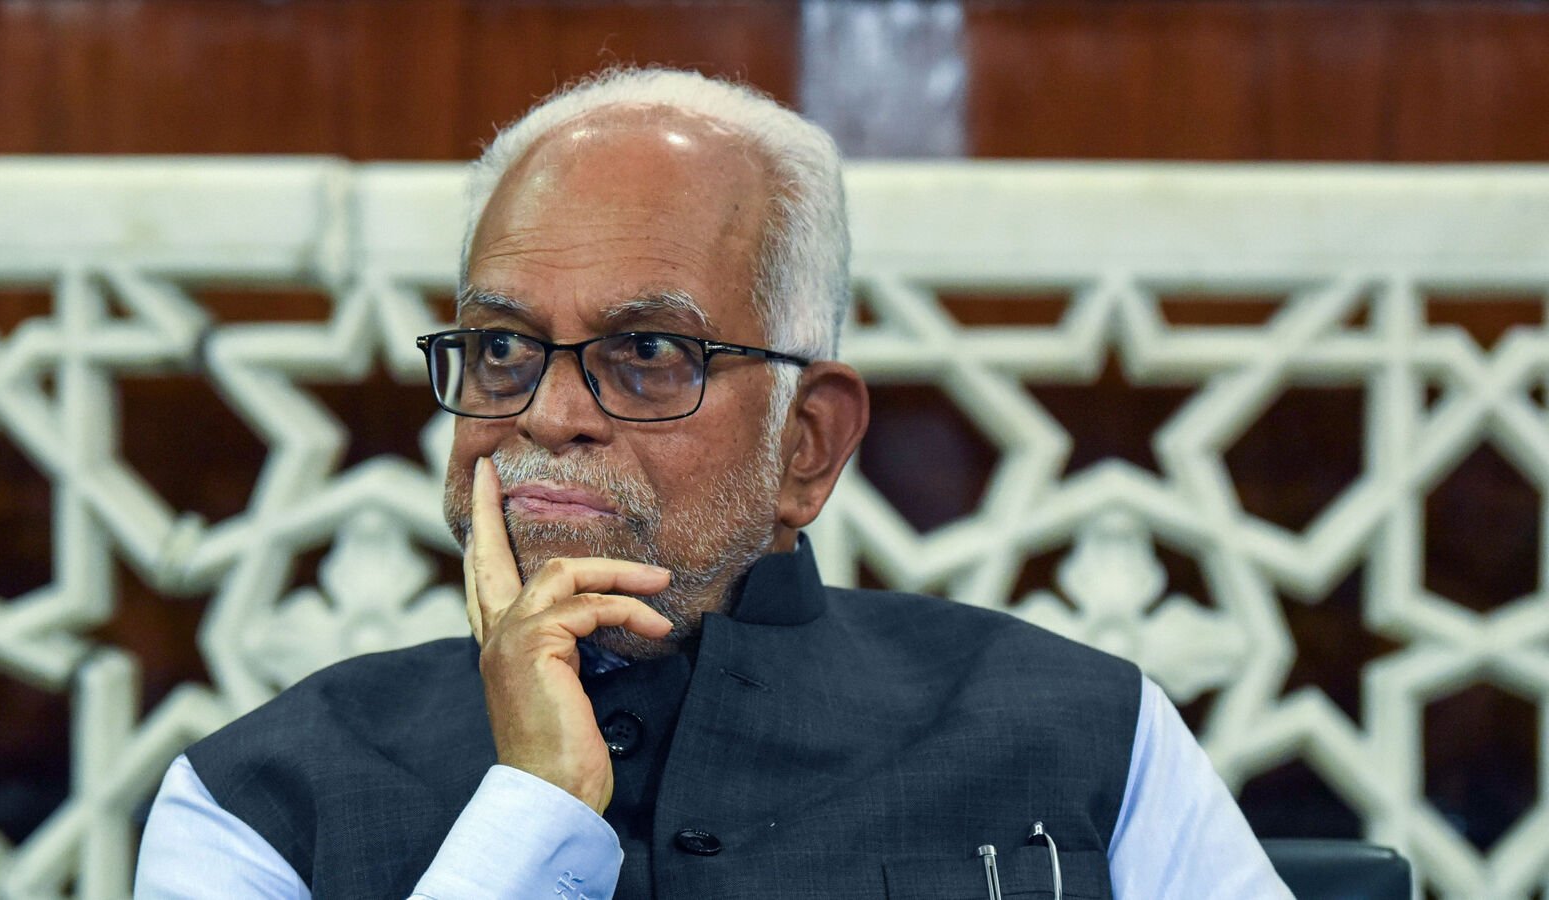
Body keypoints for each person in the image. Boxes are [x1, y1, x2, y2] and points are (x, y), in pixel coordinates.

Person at [135, 67, 1291, 899]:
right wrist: (533, 810)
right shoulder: (257, 801)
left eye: (646, 352)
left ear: (808, 446)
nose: (545, 411)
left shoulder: (1086, 733)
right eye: (499, 347)